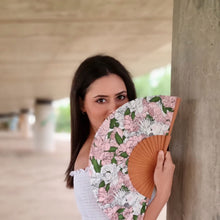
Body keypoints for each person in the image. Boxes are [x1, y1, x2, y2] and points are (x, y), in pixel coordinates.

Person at [65, 55, 175, 220]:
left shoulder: (119, 147)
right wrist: (162, 194)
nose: (114, 110)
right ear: (82, 104)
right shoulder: (92, 165)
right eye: (101, 100)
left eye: (121, 97)